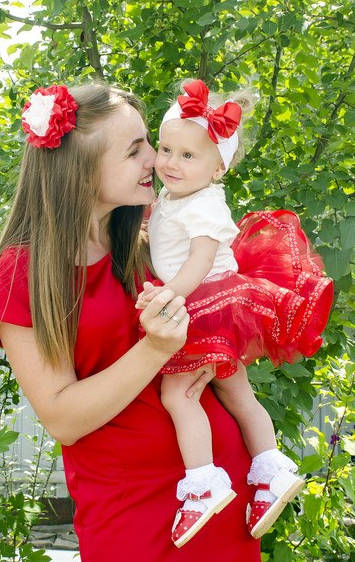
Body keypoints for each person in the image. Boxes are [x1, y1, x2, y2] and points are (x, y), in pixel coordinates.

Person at [0, 82, 262, 562]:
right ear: (81, 171)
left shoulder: (152, 238)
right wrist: (155, 349)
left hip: (217, 492)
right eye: (135, 150)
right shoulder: (23, 273)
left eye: (149, 141)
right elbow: (63, 419)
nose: (155, 158)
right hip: (133, 512)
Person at [136, 79, 333, 546]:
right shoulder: (176, 196)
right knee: (237, 392)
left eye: (188, 155)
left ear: (218, 166)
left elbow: (200, 259)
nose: (171, 163)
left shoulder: (205, 203)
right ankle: (271, 471)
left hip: (207, 303)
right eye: (166, 149)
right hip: (217, 305)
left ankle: (203, 483)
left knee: (178, 394)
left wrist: (168, 297)